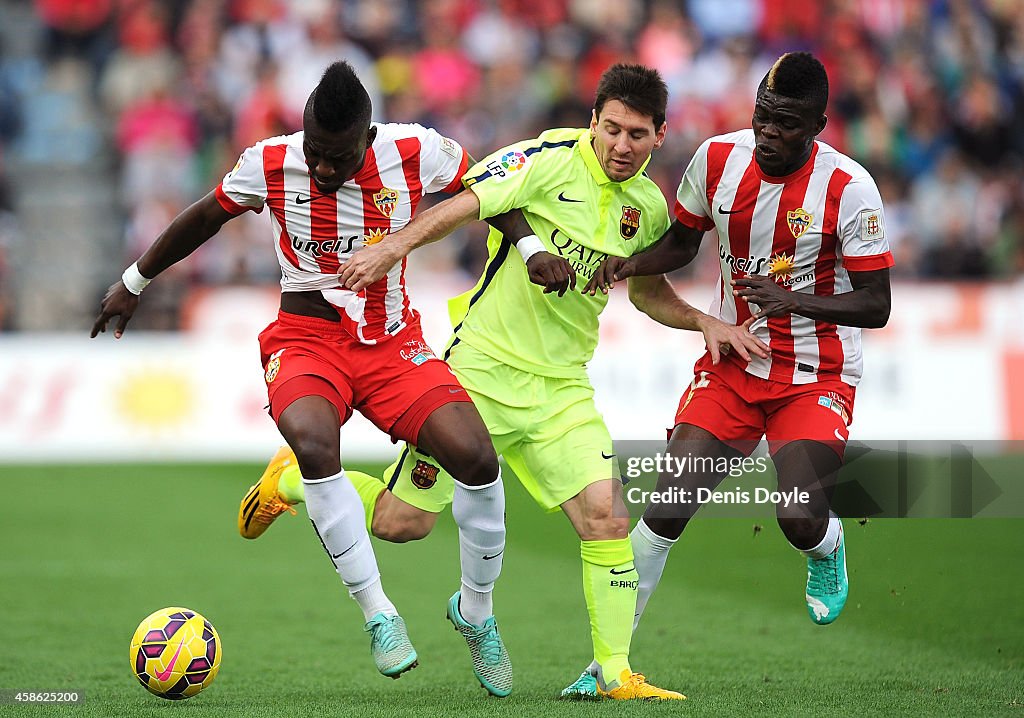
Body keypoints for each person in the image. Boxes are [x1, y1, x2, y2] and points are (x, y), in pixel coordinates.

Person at [246, 63, 767, 700]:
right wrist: (390, 249)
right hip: (482, 372)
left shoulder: (649, 207)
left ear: (660, 135)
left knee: (606, 517)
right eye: (611, 129)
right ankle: (293, 478)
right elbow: (469, 202)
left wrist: (701, 321)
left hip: (561, 390)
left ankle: (614, 674)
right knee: (398, 524)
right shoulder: (546, 158)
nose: (621, 146)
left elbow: (649, 293)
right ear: (594, 119)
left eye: (637, 135)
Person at [91, 61, 515, 696]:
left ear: (366, 139)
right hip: (305, 339)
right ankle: (380, 615)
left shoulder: (414, 150)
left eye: (338, 157)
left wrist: (532, 250)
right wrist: (134, 282)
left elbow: (489, 195)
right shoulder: (270, 161)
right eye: (314, 151)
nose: (321, 168)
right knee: (317, 445)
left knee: (478, 459)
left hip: (392, 342)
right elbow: (205, 216)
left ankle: (476, 615)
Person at [564, 51, 894, 693]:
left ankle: (825, 549)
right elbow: (684, 244)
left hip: (815, 373)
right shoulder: (717, 160)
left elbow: (876, 303)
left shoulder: (849, 188)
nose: (768, 133)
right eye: (762, 117)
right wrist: (629, 264)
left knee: (798, 516)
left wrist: (795, 300)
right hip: (734, 361)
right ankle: (607, 667)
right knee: (667, 507)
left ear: (819, 125)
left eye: (786, 124)